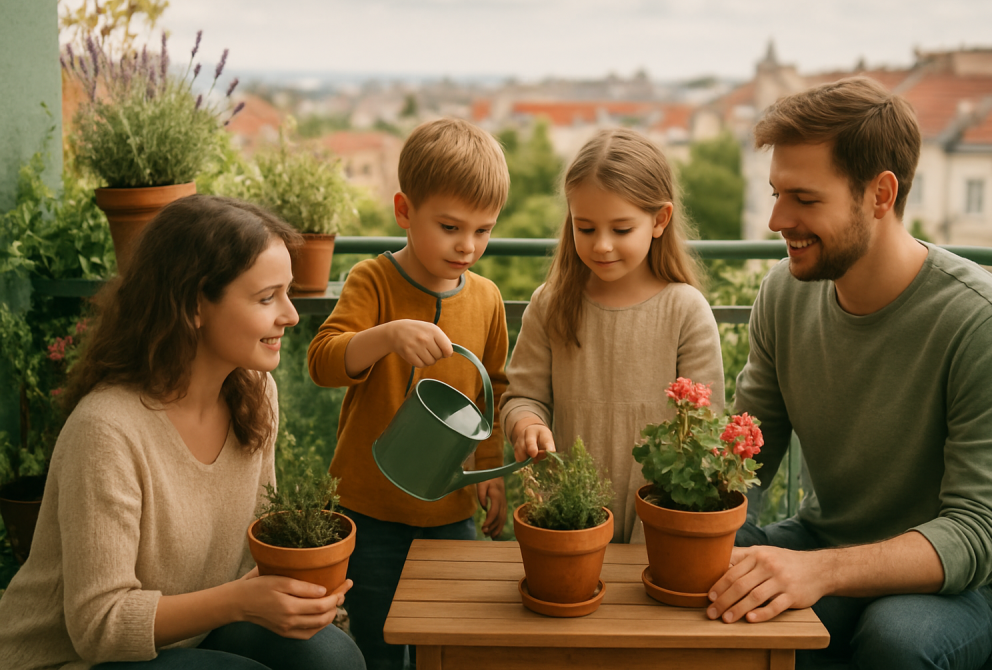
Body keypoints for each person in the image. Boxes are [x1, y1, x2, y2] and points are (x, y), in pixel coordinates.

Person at [707, 77, 992, 669]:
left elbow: (984, 530)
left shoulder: (987, 322)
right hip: (828, 540)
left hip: (962, 583)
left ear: (880, 194)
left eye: (804, 198)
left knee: (896, 638)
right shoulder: (782, 293)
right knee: (703, 582)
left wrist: (816, 572)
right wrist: (704, 538)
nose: (777, 219)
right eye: (776, 193)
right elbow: (745, 454)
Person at [0, 195, 365, 670]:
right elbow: (98, 626)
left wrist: (301, 591)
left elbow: (246, 559)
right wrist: (243, 601)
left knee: (333, 659)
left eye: (288, 292)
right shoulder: (107, 430)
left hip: (191, 637)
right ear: (195, 305)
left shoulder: (256, 393)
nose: (292, 315)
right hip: (67, 660)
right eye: (266, 297)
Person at [306, 117, 510, 670]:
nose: (467, 245)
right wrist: (386, 336)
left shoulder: (488, 299)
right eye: (450, 227)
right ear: (404, 211)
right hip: (369, 511)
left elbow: (495, 385)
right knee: (377, 642)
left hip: (451, 509)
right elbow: (323, 361)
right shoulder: (372, 282)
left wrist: (490, 472)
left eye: (483, 230)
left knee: (452, 643)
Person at [500, 127, 725, 544]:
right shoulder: (549, 304)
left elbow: (702, 429)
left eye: (621, 230)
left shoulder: (686, 310)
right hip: (565, 522)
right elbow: (522, 396)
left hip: (660, 524)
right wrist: (526, 423)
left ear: (660, 220)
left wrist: (658, 521)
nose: (602, 245)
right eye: (585, 228)